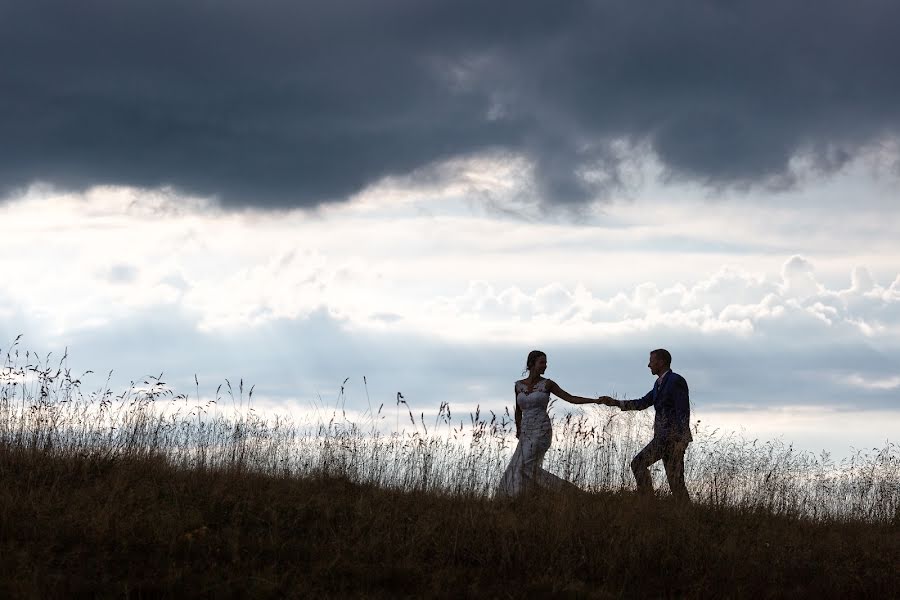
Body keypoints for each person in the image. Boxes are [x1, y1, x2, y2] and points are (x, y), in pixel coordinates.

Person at [497, 350, 602, 498]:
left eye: (545, 362)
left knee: (526, 465)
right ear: (531, 364)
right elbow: (518, 411)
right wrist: (518, 429)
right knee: (519, 466)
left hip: (542, 430)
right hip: (526, 432)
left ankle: (570, 493)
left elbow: (570, 398)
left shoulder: (547, 384)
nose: (545, 365)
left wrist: (595, 401)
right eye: (542, 362)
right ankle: (522, 496)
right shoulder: (518, 386)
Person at [599, 349, 692, 501]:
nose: (649, 365)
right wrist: (615, 403)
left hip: (672, 439)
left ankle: (648, 500)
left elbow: (683, 411)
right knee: (675, 482)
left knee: (642, 465)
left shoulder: (676, 380)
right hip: (662, 438)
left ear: (661, 362)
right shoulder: (658, 384)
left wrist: (681, 439)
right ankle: (657, 503)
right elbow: (642, 402)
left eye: (652, 361)